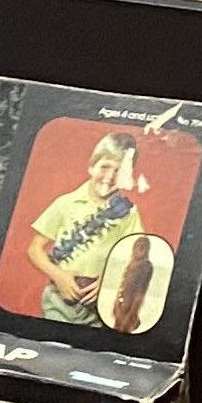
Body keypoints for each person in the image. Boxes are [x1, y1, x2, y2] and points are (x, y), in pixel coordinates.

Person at [25, 131, 149, 327]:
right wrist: (58, 276)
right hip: (60, 297)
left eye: (119, 171)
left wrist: (110, 281)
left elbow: (136, 257)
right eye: (105, 167)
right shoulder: (65, 203)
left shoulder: (128, 213)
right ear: (92, 166)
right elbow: (34, 249)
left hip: (98, 304)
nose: (109, 177)